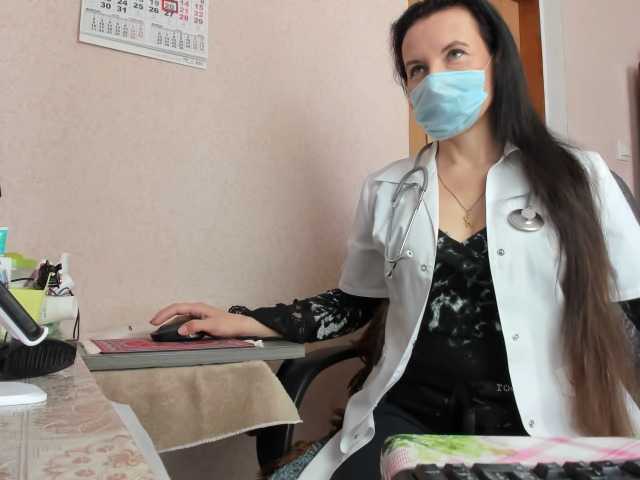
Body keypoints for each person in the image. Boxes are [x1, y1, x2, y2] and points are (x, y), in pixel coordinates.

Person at [150, 1, 640, 478]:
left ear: (497, 62)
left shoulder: (579, 177)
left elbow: (633, 303)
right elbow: (354, 303)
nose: (435, 79)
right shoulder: (387, 188)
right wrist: (244, 321)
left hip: (538, 420)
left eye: (455, 54)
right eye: (417, 68)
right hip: (407, 414)